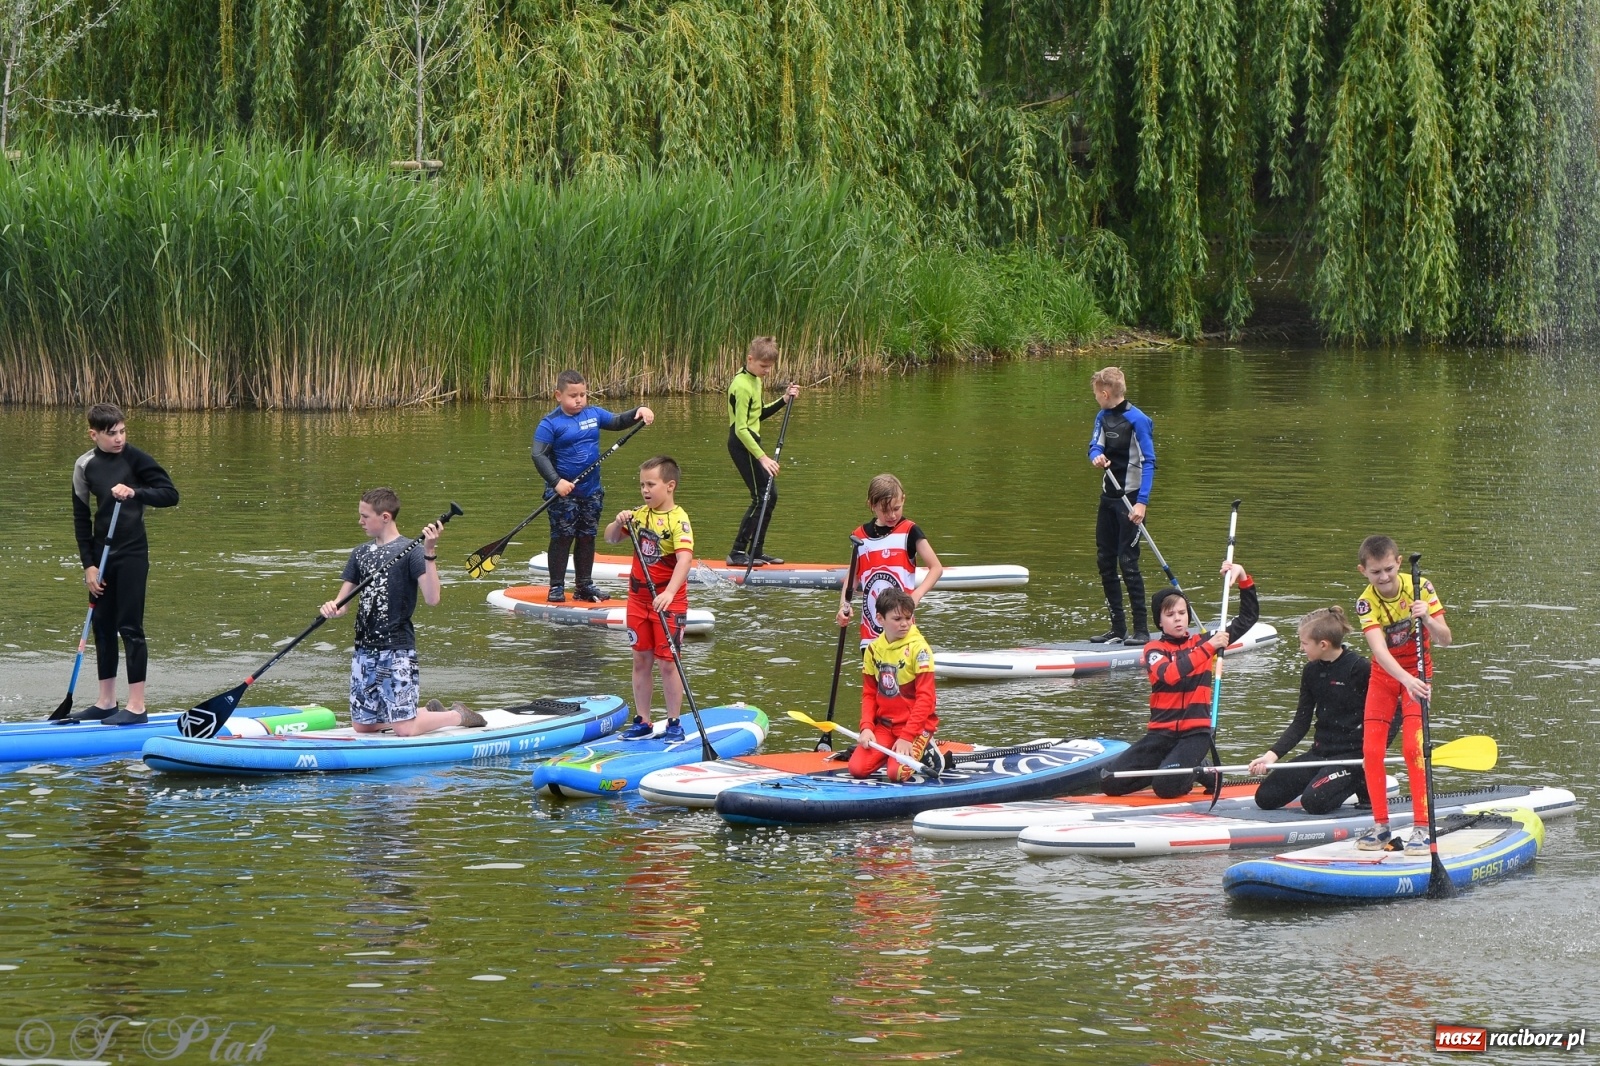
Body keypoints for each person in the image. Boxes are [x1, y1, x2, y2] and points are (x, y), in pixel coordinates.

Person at [320, 488, 486, 736]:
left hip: (396, 650)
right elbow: (342, 604)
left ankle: (457, 715)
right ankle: (424, 713)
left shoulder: (412, 551)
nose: (360, 521)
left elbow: (433, 598)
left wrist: (429, 551)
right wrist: (331, 607)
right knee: (362, 726)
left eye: (365, 516)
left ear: (385, 517)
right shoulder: (360, 553)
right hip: (364, 650)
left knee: (405, 730)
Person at [1102, 561, 1258, 798]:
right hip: (1160, 734)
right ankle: (1174, 766)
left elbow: (1248, 617)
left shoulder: (1202, 641)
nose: (1178, 619)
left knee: (1164, 789)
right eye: (1170, 614)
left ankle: (1201, 771)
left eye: (1182, 613)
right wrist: (1209, 648)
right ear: (1160, 621)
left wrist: (1243, 577)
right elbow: (1170, 675)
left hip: (1195, 734)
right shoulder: (1153, 649)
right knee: (1110, 783)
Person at [70, 403, 181, 725]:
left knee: (130, 628)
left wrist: (135, 492)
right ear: (94, 434)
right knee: (102, 628)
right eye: (111, 434)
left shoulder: (136, 458)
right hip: (101, 557)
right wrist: (88, 566)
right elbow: (81, 518)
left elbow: (170, 495)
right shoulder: (85, 465)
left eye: (122, 431)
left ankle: (136, 706)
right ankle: (106, 702)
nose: (119, 439)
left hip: (132, 555)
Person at [1352, 535, 1451, 855]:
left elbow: (1446, 639)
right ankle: (1381, 826)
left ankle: (1422, 827)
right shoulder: (1365, 602)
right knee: (1371, 751)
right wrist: (1405, 680)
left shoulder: (1422, 586)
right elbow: (1379, 652)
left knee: (1413, 749)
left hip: (1419, 674)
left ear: (1399, 562)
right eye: (1375, 572)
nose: (1384, 578)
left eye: (1389, 570)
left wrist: (1427, 619)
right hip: (1386, 677)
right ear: (1363, 571)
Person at [1248, 607, 1392, 813]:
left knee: (1313, 803)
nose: (1300, 648)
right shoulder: (1311, 671)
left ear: (1323, 644)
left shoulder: (1360, 668)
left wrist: (1374, 754)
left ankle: (1362, 783)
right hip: (1320, 752)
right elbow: (1301, 722)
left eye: (1304, 643)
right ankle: (1328, 779)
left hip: (1353, 756)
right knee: (1265, 798)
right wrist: (1271, 756)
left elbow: (1392, 713)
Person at [532, 369, 654, 602]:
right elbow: (538, 456)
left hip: (591, 492)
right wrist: (557, 482)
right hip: (563, 494)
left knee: (587, 536)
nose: (578, 400)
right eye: (572, 395)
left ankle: (584, 586)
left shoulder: (594, 414)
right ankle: (556, 586)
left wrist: (639, 411)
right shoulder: (550, 424)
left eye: (582, 395)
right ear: (559, 395)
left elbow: (618, 421)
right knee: (562, 537)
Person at [605, 456, 694, 742]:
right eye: (642, 484)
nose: (645, 490)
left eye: (651, 484)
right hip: (638, 601)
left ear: (670, 486)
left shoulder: (679, 520)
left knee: (668, 662)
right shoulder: (639, 514)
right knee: (640, 661)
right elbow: (610, 539)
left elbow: (684, 560)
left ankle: (674, 722)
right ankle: (643, 720)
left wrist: (669, 592)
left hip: (668, 603)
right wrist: (618, 522)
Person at [1087, 366, 1156, 645]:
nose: (1095, 398)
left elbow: (1149, 462)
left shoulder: (1138, 421)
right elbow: (1094, 445)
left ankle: (1142, 630)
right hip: (1109, 499)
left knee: (1127, 562)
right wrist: (1096, 457)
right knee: (1105, 560)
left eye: (1095, 394)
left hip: (1131, 501)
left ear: (1105, 393)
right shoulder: (1103, 416)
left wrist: (1142, 503)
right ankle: (1118, 628)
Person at [835, 473, 945, 648]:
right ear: (872, 505)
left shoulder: (910, 531)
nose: (892, 515)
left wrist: (916, 596)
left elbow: (936, 568)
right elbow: (852, 577)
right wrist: (843, 606)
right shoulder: (859, 536)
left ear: (903, 500)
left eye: (896, 508)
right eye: (885, 510)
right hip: (870, 634)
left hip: (902, 632)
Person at [726, 335, 800, 567]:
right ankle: (737, 552)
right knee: (761, 497)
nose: (767, 371)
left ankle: (756, 550)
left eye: (770, 367)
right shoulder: (741, 385)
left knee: (770, 496)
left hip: (752, 443)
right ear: (750, 359)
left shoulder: (755, 380)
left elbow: (757, 415)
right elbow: (740, 429)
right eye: (763, 366)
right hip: (742, 444)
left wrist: (784, 400)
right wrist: (762, 456)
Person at [854, 587, 938, 782]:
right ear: (880, 619)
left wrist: (908, 736)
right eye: (897, 619)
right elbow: (868, 694)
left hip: (915, 726)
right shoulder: (872, 650)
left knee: (896, 774)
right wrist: (866, 727)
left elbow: (926, 699)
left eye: (908, 618)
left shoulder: (920, 650)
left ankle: (926, 747)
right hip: (884, 726)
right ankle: (891, 752)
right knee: (857, 769)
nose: (905, 624)